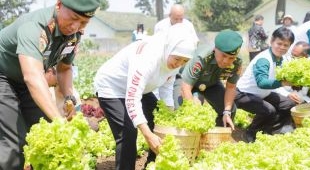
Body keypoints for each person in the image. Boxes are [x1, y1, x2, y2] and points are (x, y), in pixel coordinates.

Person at [0, 0, 100, 169]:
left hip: (24, 79)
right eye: (74, 18)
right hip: (3, 75)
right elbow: (32, 77)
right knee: (13, 143)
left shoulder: (74, 35)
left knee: (44, 129)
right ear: (59, 5)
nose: (76, 26)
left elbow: (64, 68)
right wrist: (59, 121)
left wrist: (69, 99)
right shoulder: (35, 27)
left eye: (84, 22)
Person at [93, 23, 196, 170]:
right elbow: (132, 98)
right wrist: (147, 135)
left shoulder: (176, 56)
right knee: (128, 131)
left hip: (141, 89)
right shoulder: (148, 58)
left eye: (184, 61)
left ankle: (152, 165)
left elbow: (167, 86)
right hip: (112, 88)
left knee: (160, 122)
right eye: (177, 59)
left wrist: (168, 113)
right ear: (169, 49)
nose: (179, 64)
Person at [235, 27, 296, 143]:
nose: (282, 47)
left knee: (288, 104)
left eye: (286, 45)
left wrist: (289, 91)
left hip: (263, 93)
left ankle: (267, 130)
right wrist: (282, 83)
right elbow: (262, 83)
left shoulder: (283, 59)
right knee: (269, 110)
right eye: (279, 43)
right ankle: (250, 132)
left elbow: (278, 81)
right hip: (243, 94)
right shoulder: (264, 59)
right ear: (272, 41)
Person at [178, 30, 243, 130]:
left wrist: (226, 111)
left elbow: (231, 87)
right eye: (223, 55)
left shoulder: (237, 63)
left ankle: (216, 140)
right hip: (186, 82)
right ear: (215, 49)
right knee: (181, 110)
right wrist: (194, 110)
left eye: (231, 58)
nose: (226, 61)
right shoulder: (202, 57)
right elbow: (185, 88)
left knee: (230, 110)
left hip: (211, 84)